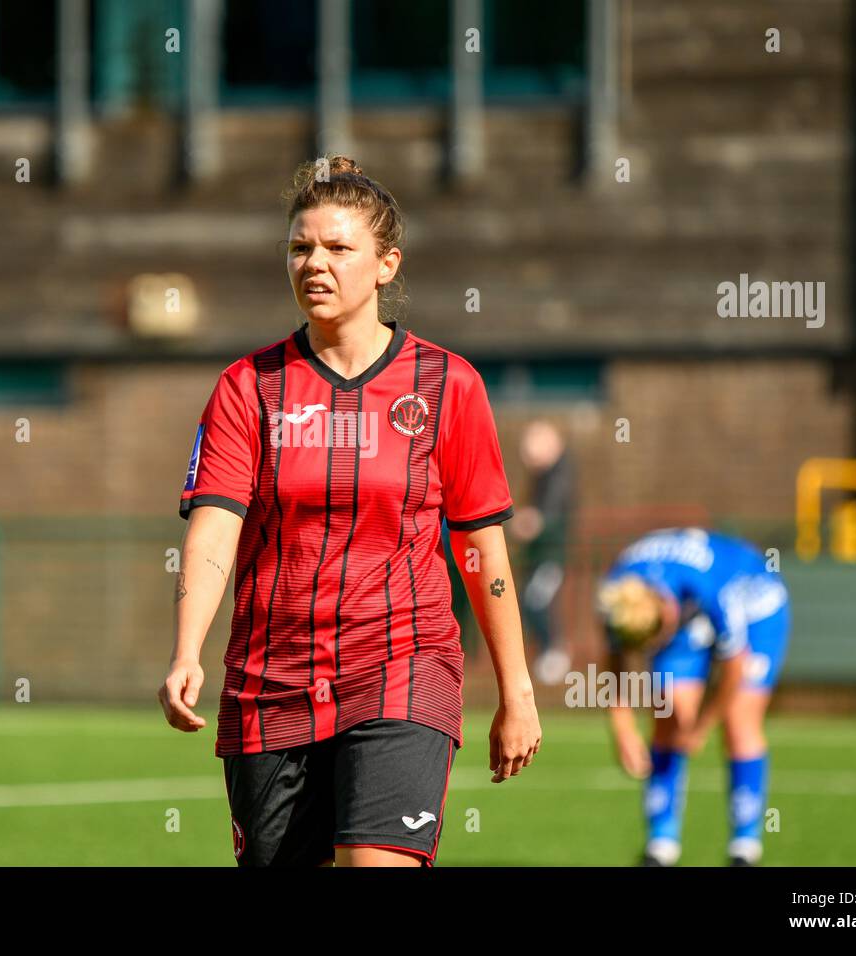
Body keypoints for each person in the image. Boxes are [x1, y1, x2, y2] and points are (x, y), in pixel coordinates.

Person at [159, 155, 542, 867]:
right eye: (301, 247)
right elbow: (215, 530)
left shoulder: (447, 385)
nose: (315, 264)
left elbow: (481, 551)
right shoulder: (247, 387)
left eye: (339, 248)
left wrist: (517, 691)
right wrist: (187, 650)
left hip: (403, 662)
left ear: (386, 264)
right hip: (269, 682)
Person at [596, 527, 789, 866]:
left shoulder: (710, 588)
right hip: (687, 617)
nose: (651, 652)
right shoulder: (617, 595)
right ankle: (661, 844)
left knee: (738, 722)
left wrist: (702, 726)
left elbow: (734, 668)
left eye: (655, 643)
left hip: (757, 608)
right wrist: (623, 729)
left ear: (666, 616)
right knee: (669, 716)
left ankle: (744, 845)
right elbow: (615, 662)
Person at [510, 419, 575, 685]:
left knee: (536, 600)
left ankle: (554, 651)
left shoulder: (559, 473)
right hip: (543, 553)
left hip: (551, 554)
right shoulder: (544, 475)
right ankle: (548, 653)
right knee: (532, 600)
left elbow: (551, 510)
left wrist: (534, 522)